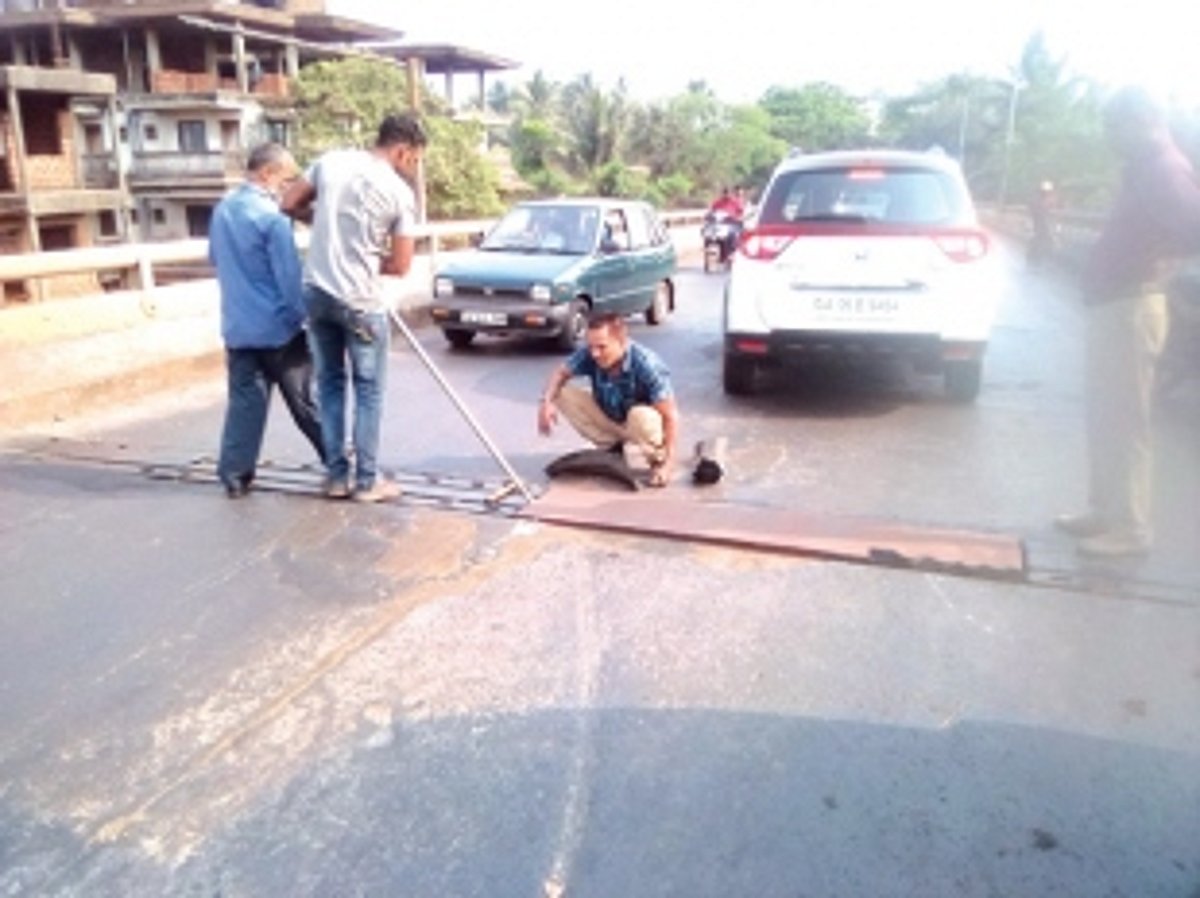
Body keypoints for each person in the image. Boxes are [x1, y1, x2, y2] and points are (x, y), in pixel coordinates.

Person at [1055, 86, 1200, 557]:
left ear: (1142, 121)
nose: (1110, 138)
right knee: (1105, 415)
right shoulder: (1143, 170)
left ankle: (1132, 528)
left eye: (1115, 127)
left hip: (1133, 308)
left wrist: (1165, 269)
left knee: (1127, 421)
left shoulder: (1166, 171)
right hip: (1115, 307)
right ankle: (1104, 511)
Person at [281, 113, 427, 502]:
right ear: (402, 150)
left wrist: (325, 229)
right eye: (413, 159)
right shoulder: (398, 192)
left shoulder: (331, 162)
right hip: (361, 302)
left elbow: (289, 202)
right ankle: (367, 482)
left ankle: (335, 477)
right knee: (368, 391)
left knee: (329, 385)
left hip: (317, 292)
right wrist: (363, 253)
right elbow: (400, 265)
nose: (412, 167)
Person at [209, 142, 324, 499]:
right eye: (287, 178)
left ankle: (234, 474)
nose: (289, 187)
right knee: (306, 401)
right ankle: (340, 462)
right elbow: (289, 279)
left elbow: (215, 257)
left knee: (245, 403)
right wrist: (304, 318)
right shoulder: (272, 219)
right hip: (277, 329)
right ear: (268, 174)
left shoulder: (222, 211)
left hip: (238, 327)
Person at [537, 312, 679, 488]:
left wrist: (669, 464)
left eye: (602, 347)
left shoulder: (647, 364)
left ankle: (657, 459)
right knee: (561, 393)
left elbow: (670, 416)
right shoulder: (591, 354)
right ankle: (612, 448)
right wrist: (546, 403)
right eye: (591, 347)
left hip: (639, 425)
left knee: (640, 415)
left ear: (621, 342)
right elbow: (561, 373)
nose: (595, 354)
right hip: (611, 417)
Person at [1028, 180, 1059, 267]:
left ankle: (1043, 261)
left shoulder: (1051, 199)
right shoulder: (1036, 200)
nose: (1046, 193)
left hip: (1046, 224)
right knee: (1037, 241)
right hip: (1039, 224)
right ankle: (1034, 260)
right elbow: (1035, 211)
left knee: (1045, 242)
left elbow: (1054, 210)